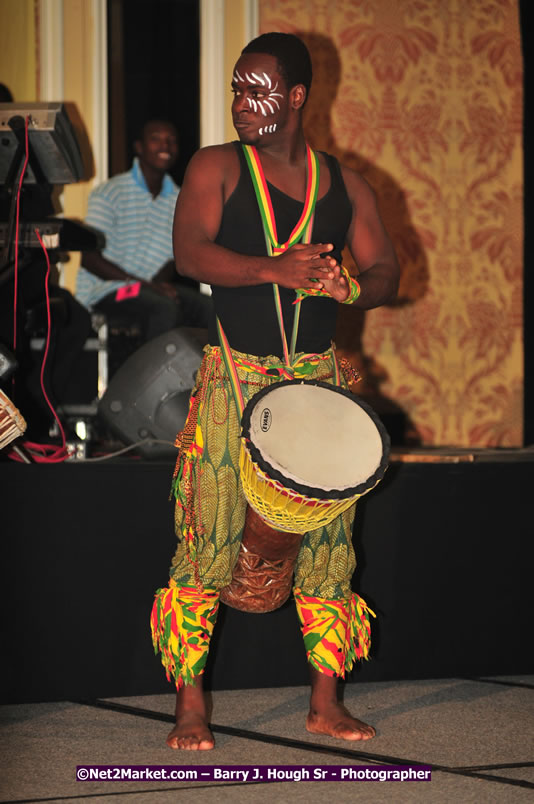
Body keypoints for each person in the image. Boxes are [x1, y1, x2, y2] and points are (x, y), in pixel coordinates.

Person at [150, 33, 399, 750]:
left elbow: (388, 273)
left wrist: (350, 285)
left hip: (317, 379)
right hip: (237, 375)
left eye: (258, 90)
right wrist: (275, 270)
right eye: (236, 88)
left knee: (328, 547)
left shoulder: (346, 185)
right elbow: (190, 252)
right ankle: (190, 706)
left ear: (295, 97)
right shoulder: (217, 166)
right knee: (206, 539)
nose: (242, 104)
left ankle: (325, 702)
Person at [76, 119, 212, 343]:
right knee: (164, 308)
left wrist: (159, 285)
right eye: (156, 139)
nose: (165, 146)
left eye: (171, 141)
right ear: (139, 147)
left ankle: (209, 377)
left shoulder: (180, 199)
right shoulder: (110, 192)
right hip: (105, 292)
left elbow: (173, 258)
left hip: (147, 291)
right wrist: (147, 286)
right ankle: (151, 377)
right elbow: (89, 259)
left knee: (210, 308)